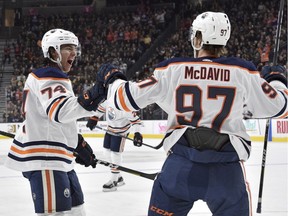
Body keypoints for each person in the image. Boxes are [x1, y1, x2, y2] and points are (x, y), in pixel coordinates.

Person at [94, 12, 287, 216]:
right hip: (227, 174)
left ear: (198, 38)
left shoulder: (173, 68)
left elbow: (125, 99)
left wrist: (112, 78)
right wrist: (275, 79)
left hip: (180, 169)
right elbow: (282, 107)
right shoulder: (244, 72)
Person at [5, 28, 105, 216]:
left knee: (78, 211)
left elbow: (52, 119)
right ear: (52, 52)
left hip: (58, 158)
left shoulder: (49, 76)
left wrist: (76, 143)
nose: (73, 52)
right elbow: (60, 111)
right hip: (46, 159)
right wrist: (96, 93)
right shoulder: (49, 75)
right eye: (67, 47)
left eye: (74, 48)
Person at [86, 99, 143, 192]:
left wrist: (137, 133)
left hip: (121, 132)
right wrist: (94, 118)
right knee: (106, 152)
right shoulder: (110, 100)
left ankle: (114, 180)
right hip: (110, 130)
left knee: (115, 154)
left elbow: (136, 121)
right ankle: (118, 176)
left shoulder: (126, 106)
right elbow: (100, 109)